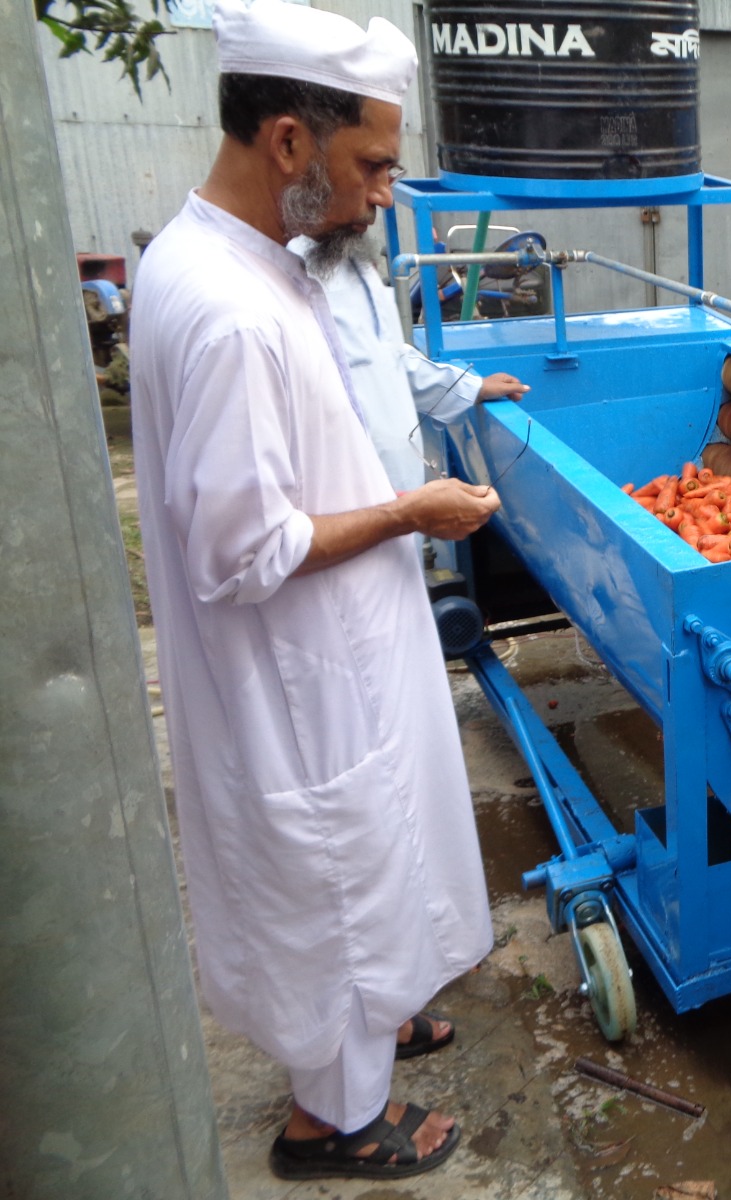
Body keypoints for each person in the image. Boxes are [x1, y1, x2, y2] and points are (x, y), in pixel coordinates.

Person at [129, 0, 498, 1180]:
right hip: (295, 677)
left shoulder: (245, 260)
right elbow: (241, 549)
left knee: (367, 858)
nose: (387, 189)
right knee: (333, 874)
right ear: (289, 143)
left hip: (331, 655)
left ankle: (378, 1020)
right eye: (374, 164)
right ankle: (334, 1124)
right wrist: (409, 511)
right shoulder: (233, 312)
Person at [288, 233, 529, 496]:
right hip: (348, 494)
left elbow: (389, 357)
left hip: (398, 488)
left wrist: (471, 386)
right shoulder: (296, 269)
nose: (384, 199)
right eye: (370, 188)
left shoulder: (346, 258)